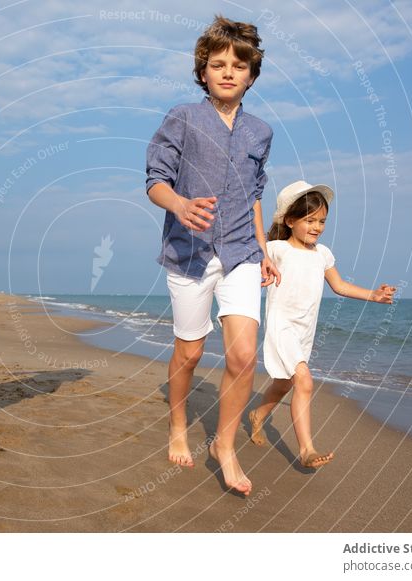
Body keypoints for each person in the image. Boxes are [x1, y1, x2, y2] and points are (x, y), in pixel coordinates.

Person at [146, 16, 279, 495]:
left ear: (251, 74)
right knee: (192, 350)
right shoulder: (182, 117)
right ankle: (178, 424)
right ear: (203, 71)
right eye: (218, 64)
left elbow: (255, 193)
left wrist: (263, 249)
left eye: (238, 65)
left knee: (244, 355)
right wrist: (179, 204)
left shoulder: (260, 132)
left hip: (243, 251)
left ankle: (225, 446)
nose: (228, 72)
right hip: (190, 253)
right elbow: (154, 181)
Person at [250, 181, 396, 467]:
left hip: (305, 331)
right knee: (304, 380)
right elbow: (251, 265)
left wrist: (374, 296)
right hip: (282, 326)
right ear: (290, 221)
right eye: (310, 220)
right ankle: (306, 450)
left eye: (322, 221)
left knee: (284, 383)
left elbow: (339, 286)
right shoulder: (276, 249)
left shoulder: (323, 254)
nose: (317, 227)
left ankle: (258, 415)